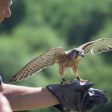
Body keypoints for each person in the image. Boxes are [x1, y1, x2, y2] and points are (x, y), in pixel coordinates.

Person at [0, 1, 108, 112]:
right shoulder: (61, 54)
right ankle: (64, 82)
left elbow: (3, 95)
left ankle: (72, 83)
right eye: (6, 5)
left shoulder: (80, 54)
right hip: (62, 65)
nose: (9, 13)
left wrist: (61, 94)